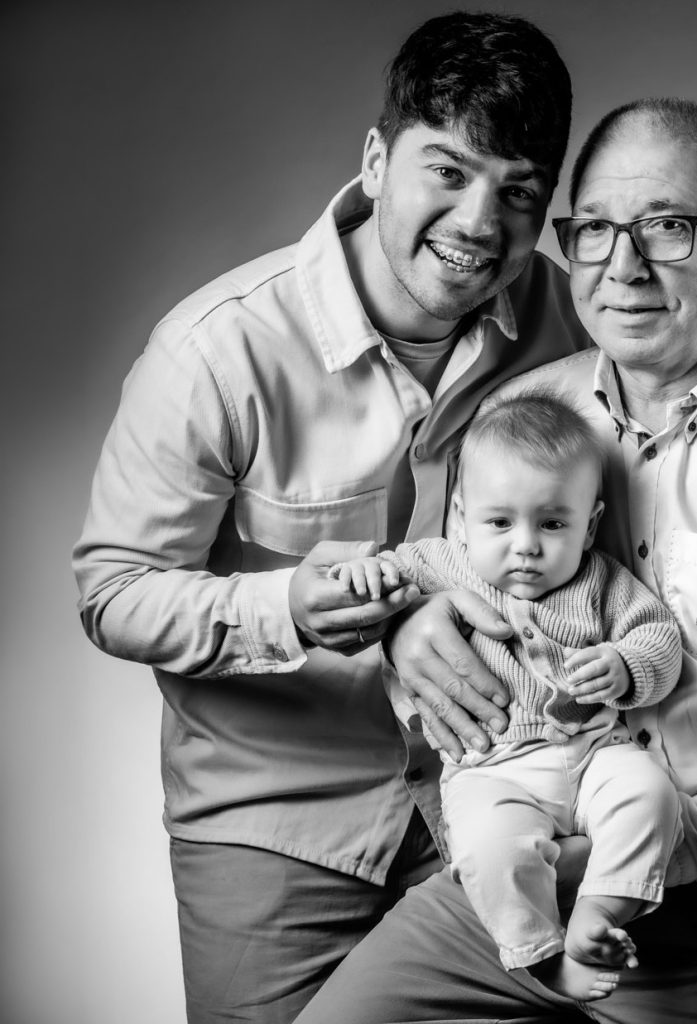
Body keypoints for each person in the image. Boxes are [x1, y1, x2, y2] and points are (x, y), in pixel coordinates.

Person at [292, 98, 697, 1023]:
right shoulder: (530, 413)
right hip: (516, 864)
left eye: (666, 227)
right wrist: (408, 625)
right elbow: (450, 574)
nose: (622, 267)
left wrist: (637, 850)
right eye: (593, 232)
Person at [71, 12, 590, 1024]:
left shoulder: (568, 325)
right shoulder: (213, 352)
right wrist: (293, 611)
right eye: (448, 170)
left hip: (496, 808)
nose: (480, 223)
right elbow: (112, 594)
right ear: (375, 158)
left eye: (517, 190)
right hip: (272, 830)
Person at [330, 388, 684, 1001]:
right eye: (499, 522)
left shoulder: (602, 581)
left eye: (553, 523)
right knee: (493, 853)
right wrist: (364, 575)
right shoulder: (443, 562)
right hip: (494, 772)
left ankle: (600, 912)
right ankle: (543, 958)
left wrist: (627, 667)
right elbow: (381, 576)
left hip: (597, 753)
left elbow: (658, 635)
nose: (526, 544)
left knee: (652, 797)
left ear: (590, 522)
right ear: (462, 514)